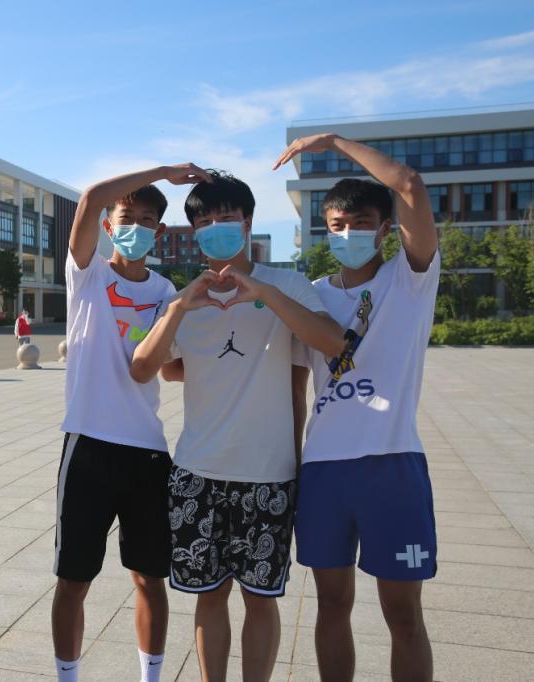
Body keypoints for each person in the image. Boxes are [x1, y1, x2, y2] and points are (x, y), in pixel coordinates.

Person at [130, 170, 345, 682]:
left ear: (247, 222)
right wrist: (180, 307)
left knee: (260, 599)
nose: (215, 228)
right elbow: (147, 368)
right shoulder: (183, 299)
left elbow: (333, 342)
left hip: (268, 474)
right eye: (203, 222)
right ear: (193, 234)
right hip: (197, 472)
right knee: (208, 596)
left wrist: (261, 292)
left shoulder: (287, 285)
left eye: (225, 217)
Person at [275, 133, 440, 682]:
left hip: (392, 464)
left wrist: (330, 142)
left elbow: (409, 183)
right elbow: (296, 389)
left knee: (403, 614)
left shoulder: (410, 278)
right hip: (325, 470)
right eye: (337, 225)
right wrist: (294, 467)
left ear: (385, 228)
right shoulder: (309, 294)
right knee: (330, 605)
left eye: (361, 223)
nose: (348, 234)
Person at [54, 163, 211, 682]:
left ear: (159, 231)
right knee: (73, 579)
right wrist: (166, 172)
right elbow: (91, 197)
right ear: (108, 225)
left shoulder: (166, 292)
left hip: (146, 451)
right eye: (127, 218)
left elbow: (168, 368)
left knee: (149, 578)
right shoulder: (88, 274)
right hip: (88, 445)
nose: (136, 228)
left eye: (147, 220)